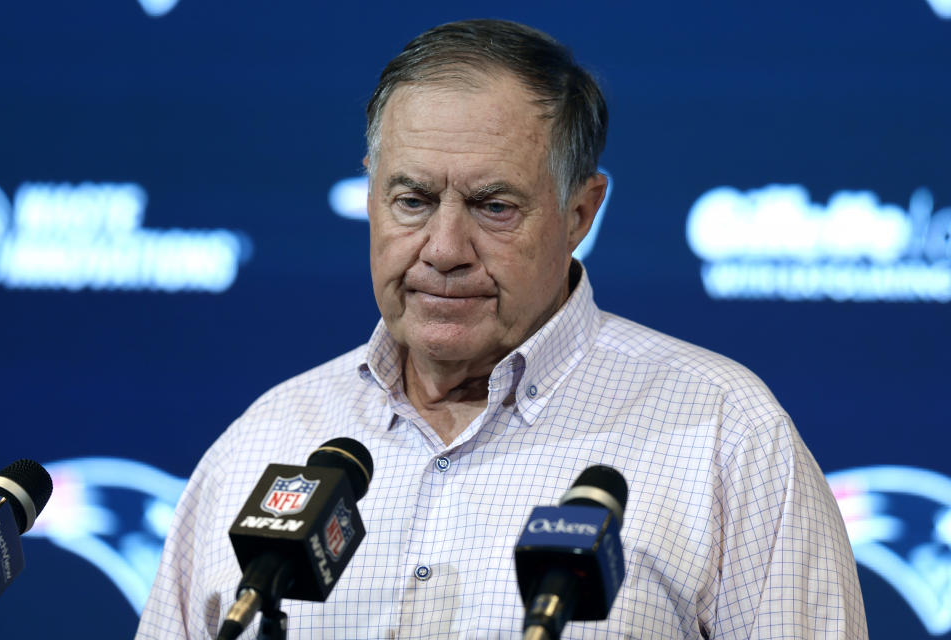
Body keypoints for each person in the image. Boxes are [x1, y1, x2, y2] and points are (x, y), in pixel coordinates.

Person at [137, 19, 867, 639]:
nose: (445, 249)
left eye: (493, 206)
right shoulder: (269, 437)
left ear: (581, 213)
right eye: (413, 200)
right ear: (370, 195)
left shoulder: (724, 432)